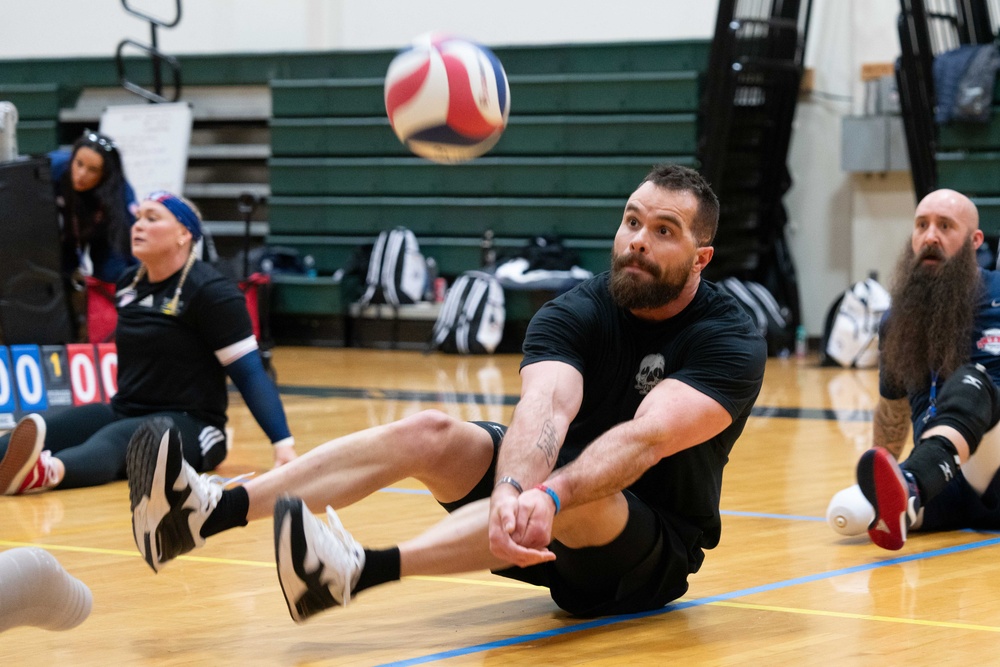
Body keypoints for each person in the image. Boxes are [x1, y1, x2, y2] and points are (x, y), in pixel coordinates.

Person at [127, 164, 767, 622]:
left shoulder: (728, 339)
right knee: (429, 431)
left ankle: (355, 570)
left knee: (581, 491)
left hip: (642, 555)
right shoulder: (578, 308)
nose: (636, 241)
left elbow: (644, 438)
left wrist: (548, 493)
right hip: (534, 515)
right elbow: (545, 408)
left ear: (700, 258)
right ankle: (208, 511)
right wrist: (516, 488)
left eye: (663, 231)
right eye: (632, 221)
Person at [0, 192, 296, 496]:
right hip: (126, 408)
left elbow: (249, 374)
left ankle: (45, 473)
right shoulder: (130, 283)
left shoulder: (211, 293)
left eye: (151, 218)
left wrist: (282, 445)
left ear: (184, 233)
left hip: (194, 425)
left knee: (117, 440)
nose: (138, 226)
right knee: (48, 425)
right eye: (138, 217)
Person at [836, 189, 1000, 551]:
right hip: (945, 480)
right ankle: (907, 488)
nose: (930, 237)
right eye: (921, 225)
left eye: (945, 226)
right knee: (846, 512)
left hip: (995, 468)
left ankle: (912, 483)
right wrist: (880, 474)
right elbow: (892, 412)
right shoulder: (898, 320)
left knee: (973, 381)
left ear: (974, 241)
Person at [51, 131, 137, 285]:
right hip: (59, 236)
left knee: (114, 273)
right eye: (79, 164)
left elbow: (127, 243)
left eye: (93, 170)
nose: (82, 174)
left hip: (102, 234)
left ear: (105, 174)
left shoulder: (119, 192)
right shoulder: (53, 166)